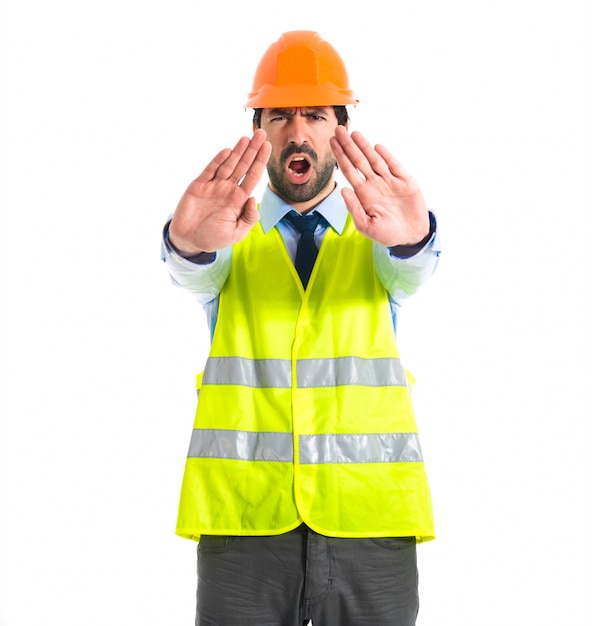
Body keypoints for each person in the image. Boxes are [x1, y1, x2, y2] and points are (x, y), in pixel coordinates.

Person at [162, 30, 441, 626]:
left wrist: (415, 237)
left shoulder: (381, 237)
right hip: (244, 524)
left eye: (315, 115)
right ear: (258, 130)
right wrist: (184, 245)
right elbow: (193, 273)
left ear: (340, 129)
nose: (297, 132)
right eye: (279, 116)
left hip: (370, 517)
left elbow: (414, 269)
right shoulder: (231, 236)